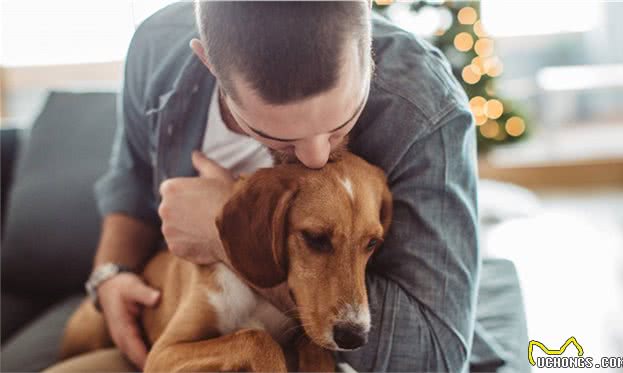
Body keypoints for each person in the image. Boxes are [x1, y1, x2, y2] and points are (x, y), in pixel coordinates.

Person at [45, 1, 479, 371]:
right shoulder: (156, 44)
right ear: (211, 65)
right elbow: (131, 176)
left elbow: (436, 355)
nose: (314, 158)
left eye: (340, 120)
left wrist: (221, 236)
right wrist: (110, 274)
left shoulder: (428, 110)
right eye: (281, 137)